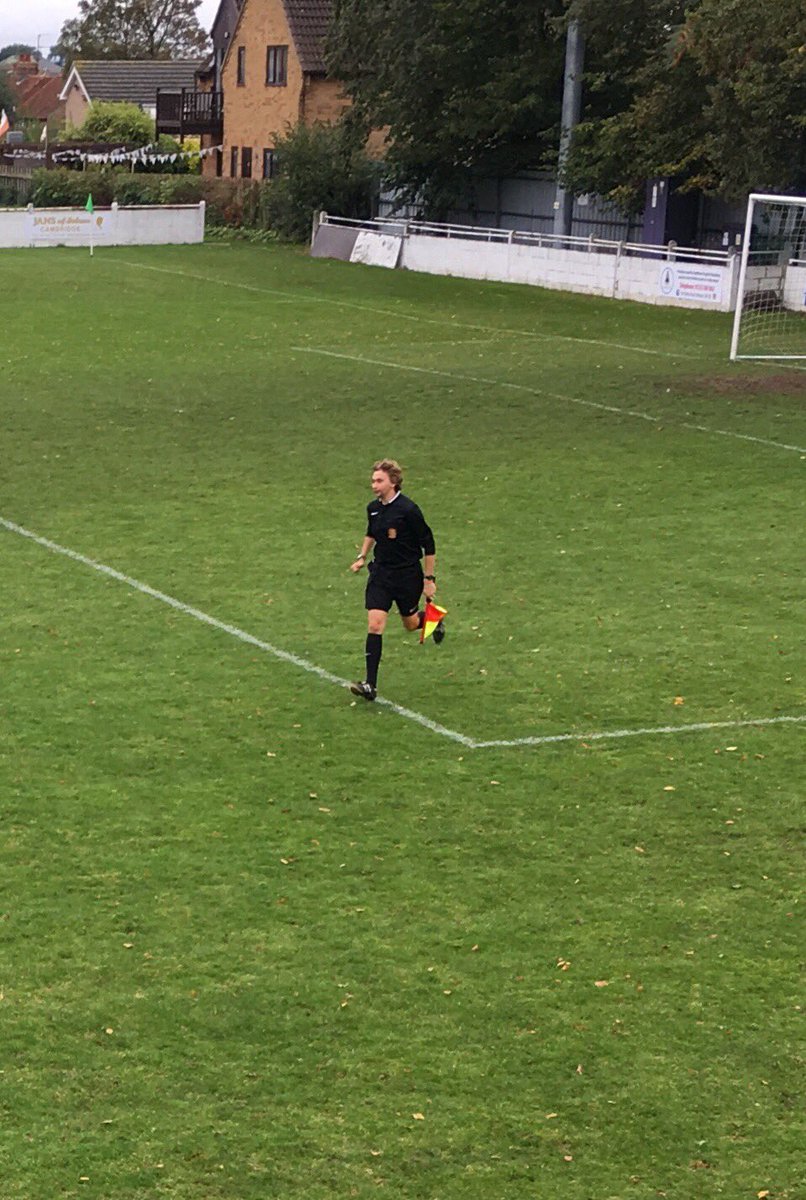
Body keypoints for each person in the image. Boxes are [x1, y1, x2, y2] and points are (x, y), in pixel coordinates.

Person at [349, 459, 444, 701]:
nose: (374, 485)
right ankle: (370, 685)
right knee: (375, 625)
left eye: (379, 481)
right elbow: (371, 532)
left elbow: (429, 544)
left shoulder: (408, 510)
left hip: (407, 576)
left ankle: (433, 619)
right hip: (381, 575)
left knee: (410, 624)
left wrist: (429, 578)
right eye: (373, 480)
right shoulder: (373, 508)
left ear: (393, 482)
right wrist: (362, 556)